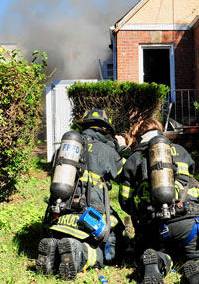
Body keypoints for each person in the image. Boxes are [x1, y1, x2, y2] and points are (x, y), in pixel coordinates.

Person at [118, 118, 199, 284]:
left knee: (163, 250)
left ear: (139, 135)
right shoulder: (180, 150)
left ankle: (156, 261)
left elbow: (124, 201)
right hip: (188, 220)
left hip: (154, 226)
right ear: (160, 131)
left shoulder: (133, 159)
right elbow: (189, 177)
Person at [36, 109, 126, 280]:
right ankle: (81, 253)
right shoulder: (106, 151)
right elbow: (125, 175)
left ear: (84, 126)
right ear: (105, 129)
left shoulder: (66, 149)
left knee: (63, 242)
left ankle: (54, 250)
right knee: (112, 249)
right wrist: (120, 147)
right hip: (90, 216)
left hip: (60, 214)